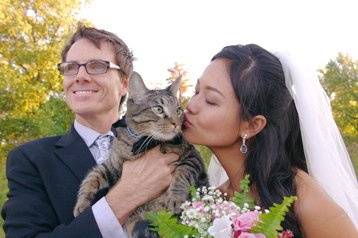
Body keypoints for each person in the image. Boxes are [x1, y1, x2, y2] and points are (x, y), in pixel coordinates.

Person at [1, 26, 179, 238]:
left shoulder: (166, 150)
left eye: (96, 66)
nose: (80, 76)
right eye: (70, 67)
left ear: (124, 83)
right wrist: (122, 198)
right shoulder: (30, 160)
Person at [182, 44, 358, 237]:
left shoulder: (304, 200)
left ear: (252, 125)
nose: (191, 106)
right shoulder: (210, 204)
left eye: (210, 100)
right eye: (196, 91)